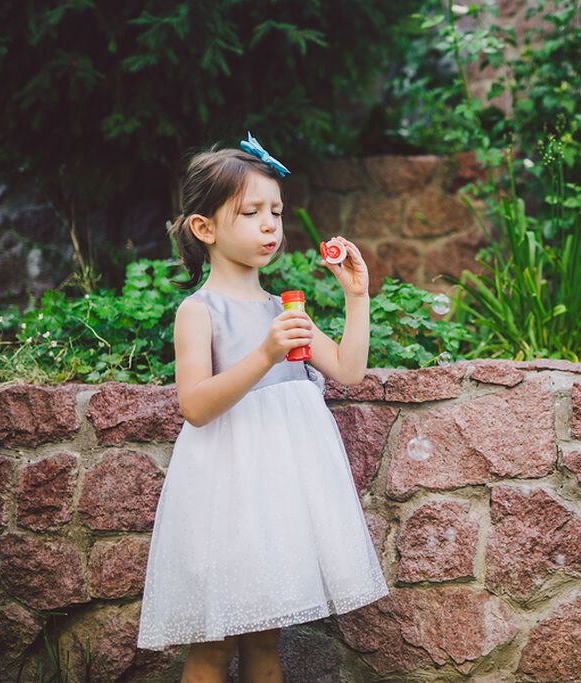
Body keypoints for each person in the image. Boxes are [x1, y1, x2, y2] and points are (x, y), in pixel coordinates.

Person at [136, 136, 388, 682]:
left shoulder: (283, 309)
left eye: (275, 211)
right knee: (212, 645)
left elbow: (347, 369)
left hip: (281, 498)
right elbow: (196, 406)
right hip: (224, 498)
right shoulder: (198, 311)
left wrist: (357, 298)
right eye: (251, 213)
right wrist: (266, 353)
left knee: (266, 645)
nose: (270, 225)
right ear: (205, 228)